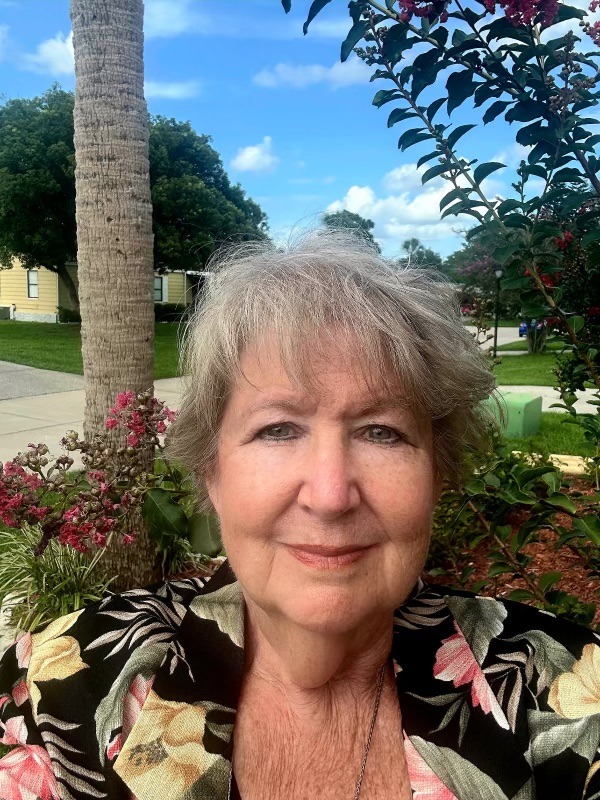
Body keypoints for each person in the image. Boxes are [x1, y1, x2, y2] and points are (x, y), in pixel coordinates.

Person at [1, 231, 599, 800]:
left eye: (381, 432)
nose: (331, 495)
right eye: (278, 429)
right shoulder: (64, 685)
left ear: (437, 475)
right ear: (212, 472)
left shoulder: (566, 692)